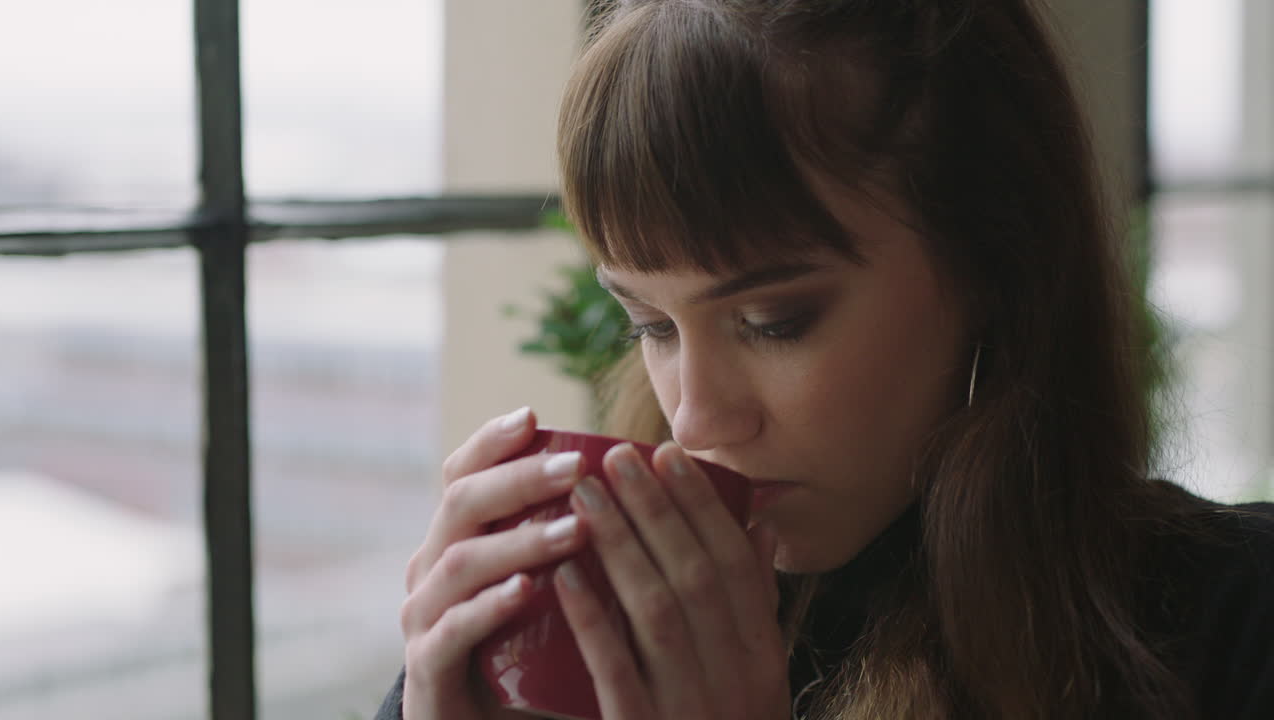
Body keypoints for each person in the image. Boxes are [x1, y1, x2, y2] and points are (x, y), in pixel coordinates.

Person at [376, 1, 1274, 718]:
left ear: (997, 269)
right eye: (650, 324)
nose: (696, 419)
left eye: (773, 320)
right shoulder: (589, 626)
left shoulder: (1235, 628)